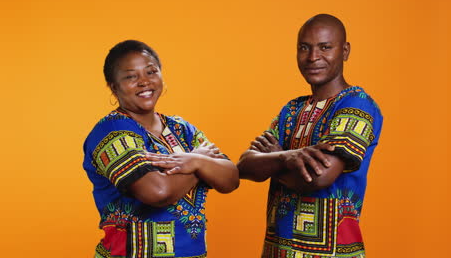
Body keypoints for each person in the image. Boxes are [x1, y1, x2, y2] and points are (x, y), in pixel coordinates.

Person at [238, 14, 383, 258]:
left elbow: (319, 178)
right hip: (277, 251)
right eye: (304, 48)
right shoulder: (292, 109)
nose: (313, 57)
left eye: (325, 47)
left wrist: (273, 159)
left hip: (332, 252)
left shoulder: (357, 105)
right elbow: (244, 167)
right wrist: (288, 158)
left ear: (345, 51)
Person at [83, 40, 239, 258]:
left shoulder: (181, 128)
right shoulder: (112, 131)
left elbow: (230, 178)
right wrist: (200, 162)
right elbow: (157, 192)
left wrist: (197, 162)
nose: (144, 82)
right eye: (130, 76)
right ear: (113, 86)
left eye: (151, 71)